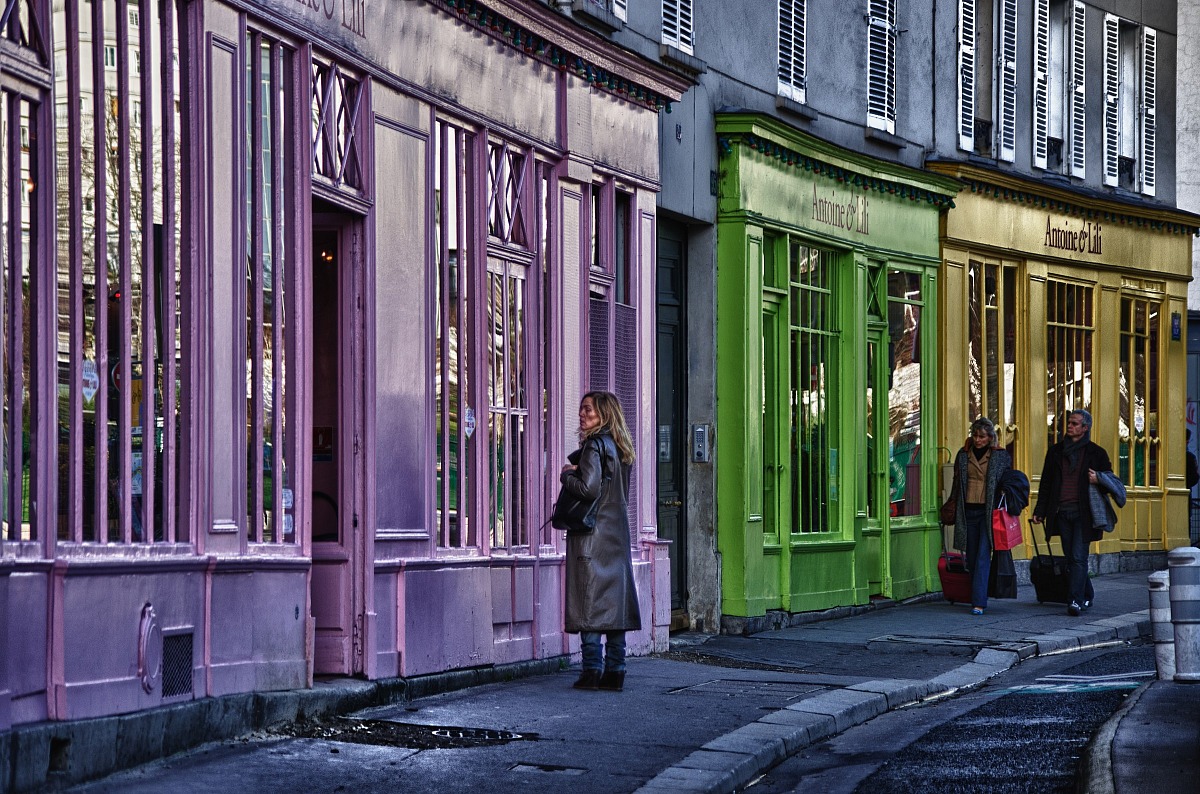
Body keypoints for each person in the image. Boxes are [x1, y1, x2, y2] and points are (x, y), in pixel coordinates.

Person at [559, 391, 641, 692]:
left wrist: (567, 475)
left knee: (588, 603)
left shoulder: (594, 446)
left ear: (604, 414)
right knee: (614, 606)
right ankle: (616, 670)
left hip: (591, 536)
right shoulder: (621, 448)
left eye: (589, 410)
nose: (582, 415)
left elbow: (588, 488)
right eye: (582, 410)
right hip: (616, 534)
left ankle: (591, 670)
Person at [1031, 409, 1114, 616]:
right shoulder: (1056, 451)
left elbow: (1110, 484)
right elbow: (1046, 484)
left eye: (1075, 423)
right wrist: (1040, 511)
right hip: (1061, 512)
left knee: (1078, 557)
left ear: (1085, 428)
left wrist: (1099, 480)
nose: (1070, 426)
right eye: (1069, 423)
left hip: (1084, 515)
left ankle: (1075, 601)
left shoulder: (1097, 453)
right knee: (1071, 558)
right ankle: (1087, 594)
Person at [949, 417, 1013, 616]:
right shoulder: (963, 454)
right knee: (972, 557)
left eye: (982, 437)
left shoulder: (1000, 456)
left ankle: (978, 602)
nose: (978, 440)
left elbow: (1008, 479)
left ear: (990, 437)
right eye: (975, 436)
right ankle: (978, 594)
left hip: (988, 512)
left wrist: (1004, 493)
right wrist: (951, 505)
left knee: (983, 556)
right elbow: (957, 483)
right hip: (967, 510)